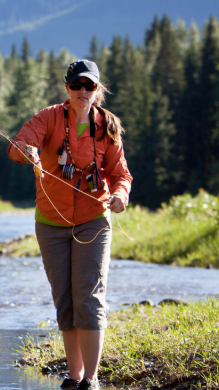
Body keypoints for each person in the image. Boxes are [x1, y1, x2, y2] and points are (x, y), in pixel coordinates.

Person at [8, 59, 132, 390]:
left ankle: (91, 379)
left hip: (93, 220)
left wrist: (121, 195)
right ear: (67, 89)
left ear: (98, 89)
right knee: (65, 300)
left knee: (88, 296)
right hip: (50, 222)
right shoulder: (47, 118)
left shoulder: (107, 126)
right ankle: (73, 377)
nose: (82, 91)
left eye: (89, 85)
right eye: (76, 85)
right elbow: (18, 146)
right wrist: (27, 151)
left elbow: (121, 174)